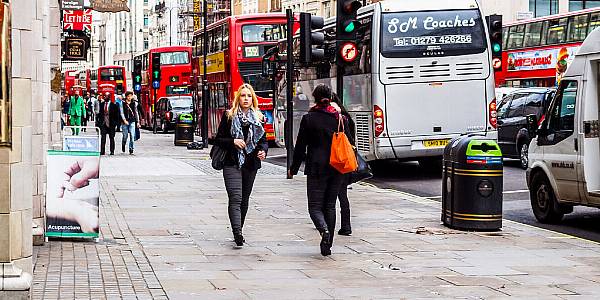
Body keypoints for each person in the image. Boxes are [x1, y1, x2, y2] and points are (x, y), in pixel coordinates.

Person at [289, 84, 352, 256]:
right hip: (337, 167)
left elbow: (300, 146)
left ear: (315, 98)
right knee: (330, 206)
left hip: (317, 167)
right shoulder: (340, 118)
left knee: (315, 207)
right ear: (331, 98)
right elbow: (349, 140)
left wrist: (293, 169)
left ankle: (323, 230)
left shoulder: (309, 118)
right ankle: (327, 245)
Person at [214, 84, 268, 247]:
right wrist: (233, 141)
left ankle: (240, 229)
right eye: (243, 96)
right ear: (238, 99)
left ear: (253, 99)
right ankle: (237, 232)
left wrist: (263, 151)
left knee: (244, 199)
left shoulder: (258, 117)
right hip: (231, 162)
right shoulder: (229, 116)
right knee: (235, 197)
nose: (246, 99)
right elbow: (218, 139)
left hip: (250, 163)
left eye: (249, 96)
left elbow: (263, 141)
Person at [330, 92, 355, 236]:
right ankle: (346, 226)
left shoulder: (331, 118)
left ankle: (326, 222)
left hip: (333, 160)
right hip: (344, 160)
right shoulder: (346, 118)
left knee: (330, 195)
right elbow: (351, 140)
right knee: (343, 194)